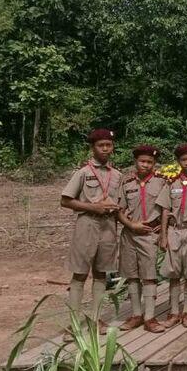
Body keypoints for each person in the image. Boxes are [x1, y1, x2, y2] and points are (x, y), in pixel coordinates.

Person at [59, 128, 123, 335]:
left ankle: (96, 320)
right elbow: (65, 200)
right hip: (87, 224)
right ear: (92, 148)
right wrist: (93, 207)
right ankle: (74, 325)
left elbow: (120, 204)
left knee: (101, 273)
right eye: (100, 145)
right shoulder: (83, 173)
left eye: (108, 145)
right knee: (79, 274)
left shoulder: (117, 175)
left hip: (108, 226)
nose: (105, 149)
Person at [116, 145, 166, 333]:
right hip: (130, 234)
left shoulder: (161, 182)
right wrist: (130, 225)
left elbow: (166, 210)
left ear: (154, 163)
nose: (145, 165)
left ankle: (150, 317)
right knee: (132, 275)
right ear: (135, 162)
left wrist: (163, 232)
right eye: (142, 161)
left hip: (149, 234)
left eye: (150, 162)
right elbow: (119, 210)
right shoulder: (126, 182)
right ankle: (136, 314)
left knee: (149, 275)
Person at [157, 143, 187, 328]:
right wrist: (163, 235)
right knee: (173, 272)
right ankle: (174, 311)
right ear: (178, 161)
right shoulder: (171, 184)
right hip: (174, 230)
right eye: (183, 159)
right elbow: (165, 210)